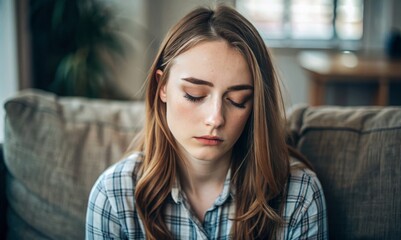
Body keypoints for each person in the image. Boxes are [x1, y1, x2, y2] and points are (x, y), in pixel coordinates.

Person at [86, 5, 328, 240]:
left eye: (237, 100)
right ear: (162, 88)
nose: (215, 119)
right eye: (195, 95)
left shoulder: (299, 194)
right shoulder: (114, 195)